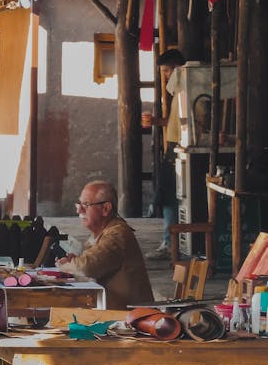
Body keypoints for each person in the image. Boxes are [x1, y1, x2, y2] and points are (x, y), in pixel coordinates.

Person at [55, 180, 154, 310]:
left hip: (129, 317)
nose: (79, 210)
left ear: (106, 209)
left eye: (86, 204)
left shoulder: (117, 234)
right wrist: (75, 262)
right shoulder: (103, 232)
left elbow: (87, 267)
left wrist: (65, 265)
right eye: (79, 204)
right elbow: (92, 263)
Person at [146, 48, 186, 259]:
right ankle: (169, 240)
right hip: (173, 146)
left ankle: (170, 243)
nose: (166, 76)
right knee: (168, 194)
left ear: (177, 69)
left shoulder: (186, 92)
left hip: (180, 149)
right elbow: (174, 124)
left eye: (167, 72)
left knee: (171, 197)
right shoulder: (179, 93)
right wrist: (156, 123)